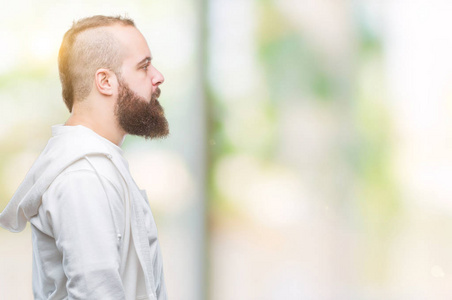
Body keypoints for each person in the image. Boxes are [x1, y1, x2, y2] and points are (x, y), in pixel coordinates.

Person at [0, 15, 169, 300]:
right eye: (144, 66)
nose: (158, 76)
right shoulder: (83, 178)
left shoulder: (98, 166)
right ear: (105, 81)